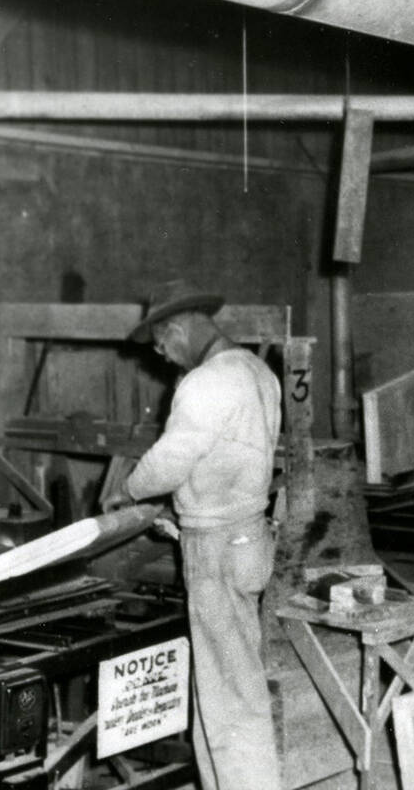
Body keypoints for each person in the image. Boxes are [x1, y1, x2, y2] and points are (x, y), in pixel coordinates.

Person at [104, 279, 282, 790]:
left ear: (177, 328)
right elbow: (225, 461)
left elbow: (170, 461)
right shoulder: (257, 372)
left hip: (217, 549)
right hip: (247, 537)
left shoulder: (205, 382)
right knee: (228, 685)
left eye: (162, 345)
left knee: (229, 695)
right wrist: (178, 514)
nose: (164, 357)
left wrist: (128, 491)